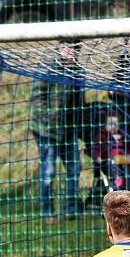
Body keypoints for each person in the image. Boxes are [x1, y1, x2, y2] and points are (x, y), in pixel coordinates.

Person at [29, 40, 85, 221]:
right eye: (67, 47)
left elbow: (79, 103)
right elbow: (37, 99)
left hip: (68, 130)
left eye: (75, 48)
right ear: (60, 48)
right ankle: (47, 212)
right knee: (48, 172)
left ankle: (70, 209)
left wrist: (77, 127)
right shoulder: (47, 67)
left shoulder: (79, 71)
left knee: (74, 168)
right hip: (46, 130)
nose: (71, 51)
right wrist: (49, 120)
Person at [87, 113, 130, 207]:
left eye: (115, 124)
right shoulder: (102, 136)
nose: (113, 126)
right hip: (108, 164)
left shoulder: (122, 135)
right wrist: (97, 157)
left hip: (124, 161)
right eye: (110, 123)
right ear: (105, 125)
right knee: (113, 165)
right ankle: (117, 188)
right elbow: (95, 149)